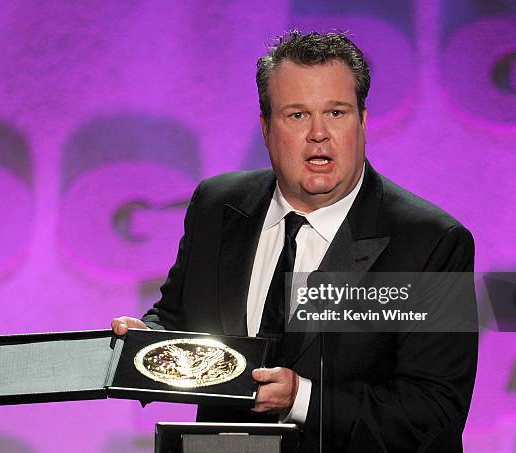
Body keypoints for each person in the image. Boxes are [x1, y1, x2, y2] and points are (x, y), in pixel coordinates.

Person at [112, 31, 477, 452]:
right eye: (297, 115)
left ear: (363, 121)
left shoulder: (429, 242)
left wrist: (300, 397)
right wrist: (147, 342)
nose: (319, 134)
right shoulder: (217, 206)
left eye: (336, 113)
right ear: (267, 128)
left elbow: (434, 414)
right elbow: (180, 319)